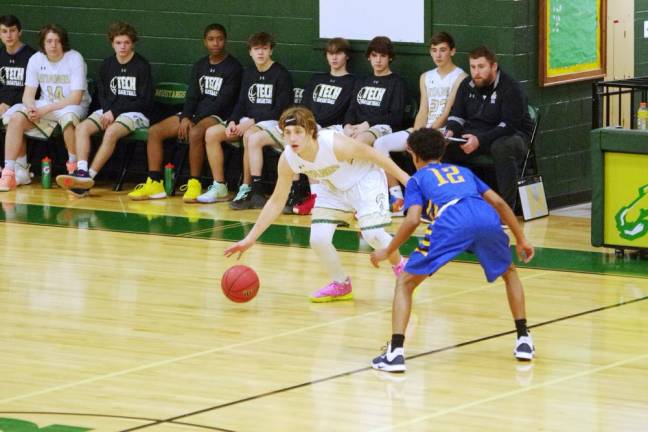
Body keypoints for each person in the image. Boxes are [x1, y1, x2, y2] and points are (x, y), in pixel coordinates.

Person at [369, 128, 535, 373]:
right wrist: (521, 239)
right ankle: (524, 339)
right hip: (484, 215)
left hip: (452, 219)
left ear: (412, 154)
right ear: (442, 150)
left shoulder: (417, 179)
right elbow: (499, 203)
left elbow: (413, 219)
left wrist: (387, 250)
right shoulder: (463, 171)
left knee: (405, 282)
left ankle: (395, 353)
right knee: (509, 272)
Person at [224, 106, 410, 302]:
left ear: (311, 131)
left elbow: (376, 156)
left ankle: (402, 269)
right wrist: (250, 239)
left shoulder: (334, 143)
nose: (292, 138)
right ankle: (341, 284)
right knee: (318, 239)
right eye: (287, 133)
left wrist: (409, 182)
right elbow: (276, 202)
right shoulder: (287, 159)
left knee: (373, 235)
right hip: (332, 187)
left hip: (365, 180)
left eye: (298, 132)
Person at [126, 23, 242, 202]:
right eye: (211, 39)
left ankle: (194, 184)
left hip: (218, 115)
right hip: (195, 114)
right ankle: (155, 183)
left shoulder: (234, 67)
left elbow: (222, 101)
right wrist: (186, 116)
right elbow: (192, 96)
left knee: (195, 133)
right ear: (205, 42)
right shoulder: (199, 65)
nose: (215, 43)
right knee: (155, 131)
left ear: (225, 40)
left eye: (219, 39)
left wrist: (193, 120)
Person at [56, 22, 153, 197]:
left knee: (111, 132)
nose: (122, 46)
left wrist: (114, 113)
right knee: (81, 128)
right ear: (112, 43)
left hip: (135, 113)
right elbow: (103, 94)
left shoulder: (142, 66)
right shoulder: (107, 65)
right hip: (109, 110)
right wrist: (109, 110)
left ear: (133, 44)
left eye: (126, 43)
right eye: (118, 43)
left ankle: (88, 180)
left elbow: (144, 101)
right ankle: (82, 171)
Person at [373, 32, 466, 215]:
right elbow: (423, 109)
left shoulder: (460, 76)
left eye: (442, 50)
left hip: (442, 131)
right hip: (422, 129)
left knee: (426, 152)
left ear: (452, 51)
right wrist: (416, 134)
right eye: (434, 50)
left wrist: (423, 137)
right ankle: (397, 196)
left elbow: (447, 111)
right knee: (380, 143)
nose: (438, 55)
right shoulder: (425, 76)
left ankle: (432, 203)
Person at [199, 32, 292, 206]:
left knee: (249, 134)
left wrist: (250, 122)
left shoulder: (281, 74)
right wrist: (232, 121)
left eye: (265, 48)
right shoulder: (248, 73)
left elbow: (280, 110)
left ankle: (246, 187)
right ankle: (219, 186)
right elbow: (241, 102)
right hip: (247, 120)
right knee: (212, 133)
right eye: (256, 49)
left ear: (271, 50)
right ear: (250, 52)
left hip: (272, 122)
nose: (260, 53)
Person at [0, 24, 91, 192]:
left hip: (71, 106)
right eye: (49, 41)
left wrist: (44, 110)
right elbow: (28, 94)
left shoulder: (74, 58)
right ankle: (9, 172)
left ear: (63, 43)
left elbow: (75, 97)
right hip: (45, 105)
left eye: (57, 41)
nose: (53, 45)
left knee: (69, 120)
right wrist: (31, 107)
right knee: (16, 118)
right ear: (43, 43)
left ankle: (74, 170)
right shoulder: (36, 59)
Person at [444, 45, 532, 211]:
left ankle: (506, 210)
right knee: (444, 147)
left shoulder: (511, 87)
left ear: (494, 66)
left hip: (513, 136)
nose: (476, 72)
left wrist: (480, 140)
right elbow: (457, 116)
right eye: (473, 67)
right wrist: (450, 132)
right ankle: (455, 204)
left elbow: (509, 125)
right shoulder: (466, 85)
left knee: (501, 147)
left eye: (481, 67)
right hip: (477, 134)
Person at [342, 36, 407, 147]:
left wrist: (367, 124)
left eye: (383, 56)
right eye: (374, 55)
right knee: (333, 140)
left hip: (384, 127)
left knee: (360, 140)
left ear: (390, 58)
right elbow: (352, 108)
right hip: (358, 126)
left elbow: (396, 116)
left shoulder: (397, 82)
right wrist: (347, 125)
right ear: (369, 57)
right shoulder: (362, 81)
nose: (378, 60)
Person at [0, 14, 37, 186]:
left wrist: (8, 104)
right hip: (3, 104)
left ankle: (20, 169)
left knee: (13, 118)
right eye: (4, 31)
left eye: (12, 31)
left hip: (25, 103)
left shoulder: (32, 57)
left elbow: (32, 90)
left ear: (19, 32)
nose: (8, 35)